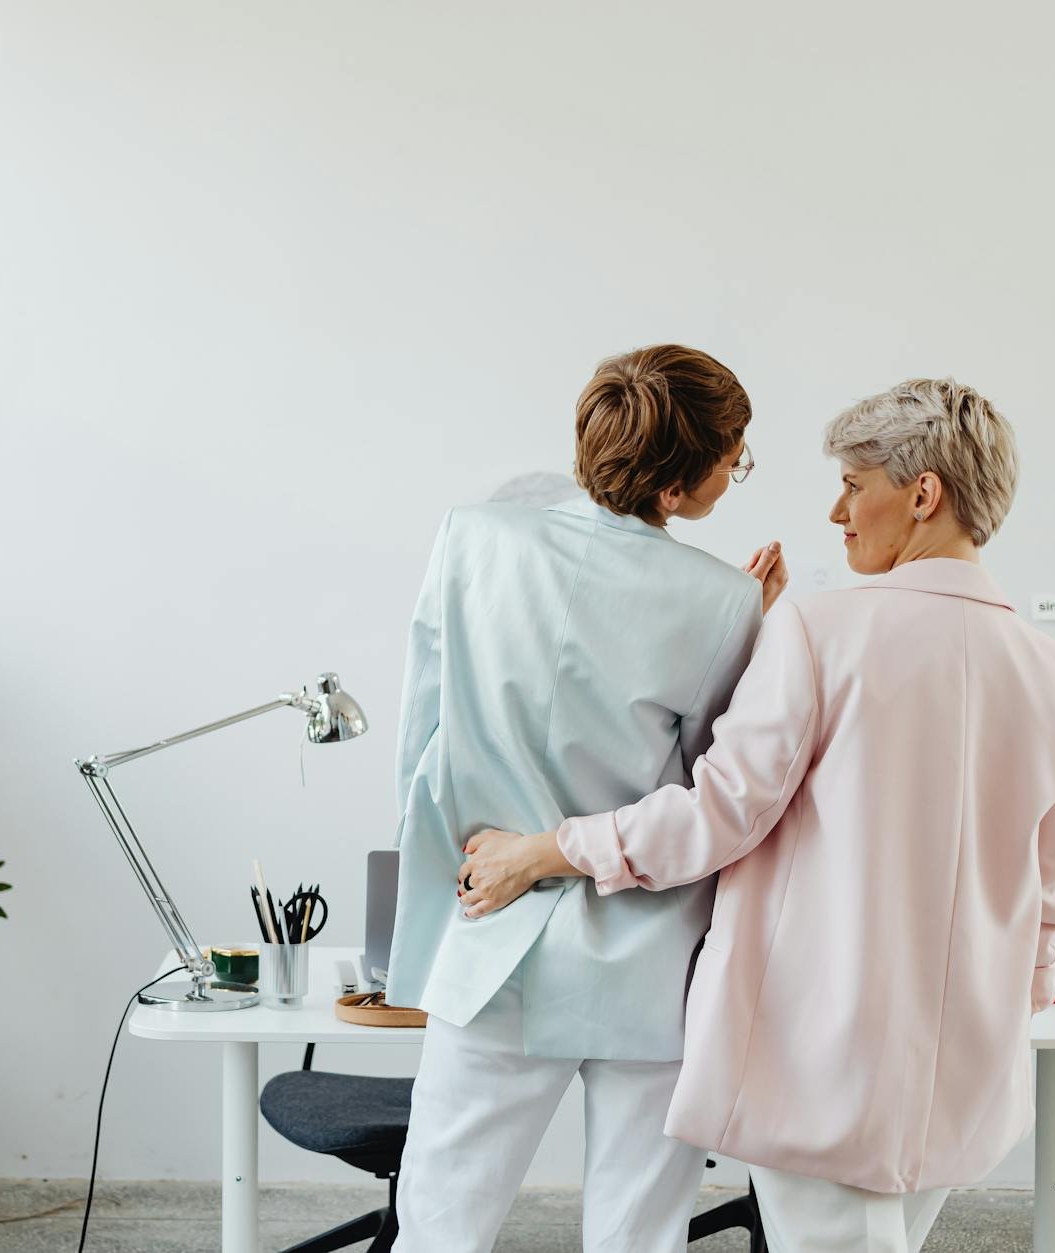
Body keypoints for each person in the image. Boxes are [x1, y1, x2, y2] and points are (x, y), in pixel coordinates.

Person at [457, 378, 1055, 1253]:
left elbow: (715, 815)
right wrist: (1003, 1009)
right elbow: (1049, 892)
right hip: (971, 1067)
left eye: (854, 482)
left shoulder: (822, 633)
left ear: (923, 493)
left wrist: (546, 850)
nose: (838, 509)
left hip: (821, 1053)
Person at [387, 344, 784, 1252]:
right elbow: (704, 796)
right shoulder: (723, 599)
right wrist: (741, 622)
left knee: (439, 1228)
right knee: (638, 1236)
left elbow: (423, 738)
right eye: (734, 454)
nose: (737, 468)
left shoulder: (471, 536)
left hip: (491, 930)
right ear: (679, 487)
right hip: (646, 957)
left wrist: (433, 896)